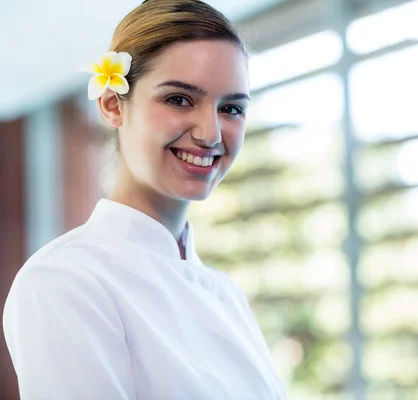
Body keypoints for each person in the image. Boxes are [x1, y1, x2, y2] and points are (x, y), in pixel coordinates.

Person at [3, 1, 288, 399]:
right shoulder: (64, 282)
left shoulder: (227, 295)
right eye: (179, 99)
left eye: (231, 108)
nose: (210, 132)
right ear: (112, 104)